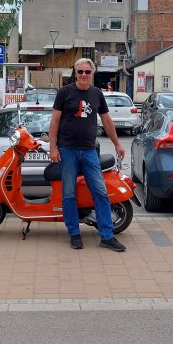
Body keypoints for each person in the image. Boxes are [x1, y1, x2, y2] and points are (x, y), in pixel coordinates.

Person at [49, 58, 127, 252]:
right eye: (80, 72)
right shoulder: (64, 92)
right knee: (69, 194)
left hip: (89, 151)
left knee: (100, 192)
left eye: (87, 72)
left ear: (93, 73)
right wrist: (53, 148)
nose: (83, 75)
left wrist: (117, 144)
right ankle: (74, 234)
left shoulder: (97, 93)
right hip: (67, 150)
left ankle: (107, 236)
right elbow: (55, 121)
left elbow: (107, 121)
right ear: (75, 73)